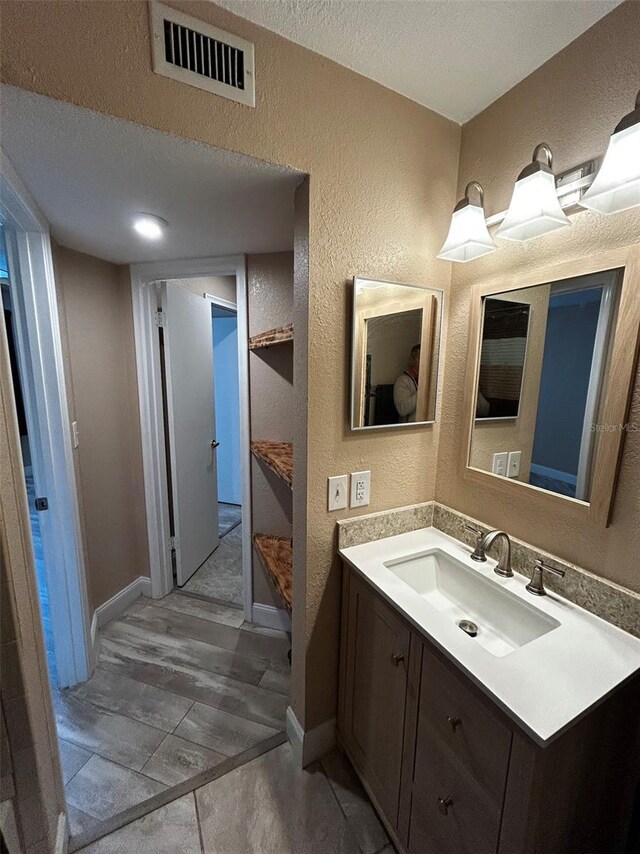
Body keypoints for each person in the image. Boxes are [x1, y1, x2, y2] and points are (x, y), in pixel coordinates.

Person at [394, 343, 420, 422]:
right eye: (420, 357)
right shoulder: (403, 381)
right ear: (412, 360)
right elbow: (402, 410)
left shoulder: (432, 380)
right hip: (410, 430)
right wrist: (423, 390)